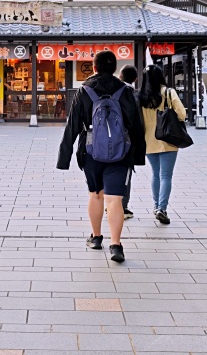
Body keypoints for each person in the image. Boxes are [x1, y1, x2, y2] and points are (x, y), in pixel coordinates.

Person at [58, 51, 146, 263]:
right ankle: (116, 245)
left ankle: (96, 237)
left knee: (95, 194)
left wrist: (64, 157)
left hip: (91, 151)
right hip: (121, 152)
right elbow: (136, 126)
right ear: (115, 68)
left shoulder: (84, 90)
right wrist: (138, 156)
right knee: (115, 198)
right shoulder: (125, 90)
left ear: (94, 67)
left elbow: (72, 125)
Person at [139, 64, 186, 225]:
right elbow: (182, 114)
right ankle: (162, 208)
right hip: (168, 139)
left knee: (155, 173)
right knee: (166, 175)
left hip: (148, 140)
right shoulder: (168, 92)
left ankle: (155, 206)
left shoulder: (141, 96)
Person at [119, 65, 139, 220]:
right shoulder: (132, 94)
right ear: (135, 79)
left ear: (120, 75)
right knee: (125, 175)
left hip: (109, 140)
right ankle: (122, 207)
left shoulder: (113, 90)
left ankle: (112, 204)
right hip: (127, 141)